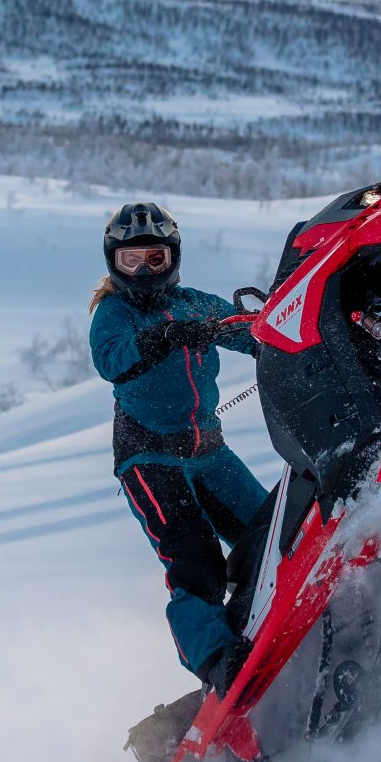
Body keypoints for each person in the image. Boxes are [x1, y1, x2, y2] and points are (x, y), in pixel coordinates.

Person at [88, 201, 264, 697]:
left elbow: (251, 331)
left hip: (209, 450)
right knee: (195, 559)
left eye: (155, 259)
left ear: (175, 257)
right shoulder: (112, 313)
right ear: (113, 263)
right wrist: (164, 336)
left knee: (272, 530)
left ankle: (261, 614)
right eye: (131, 261)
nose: (144, 270)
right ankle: (213, 658)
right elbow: (112, 360)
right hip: (149, 459)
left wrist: (285, 331)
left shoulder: (194, 303)